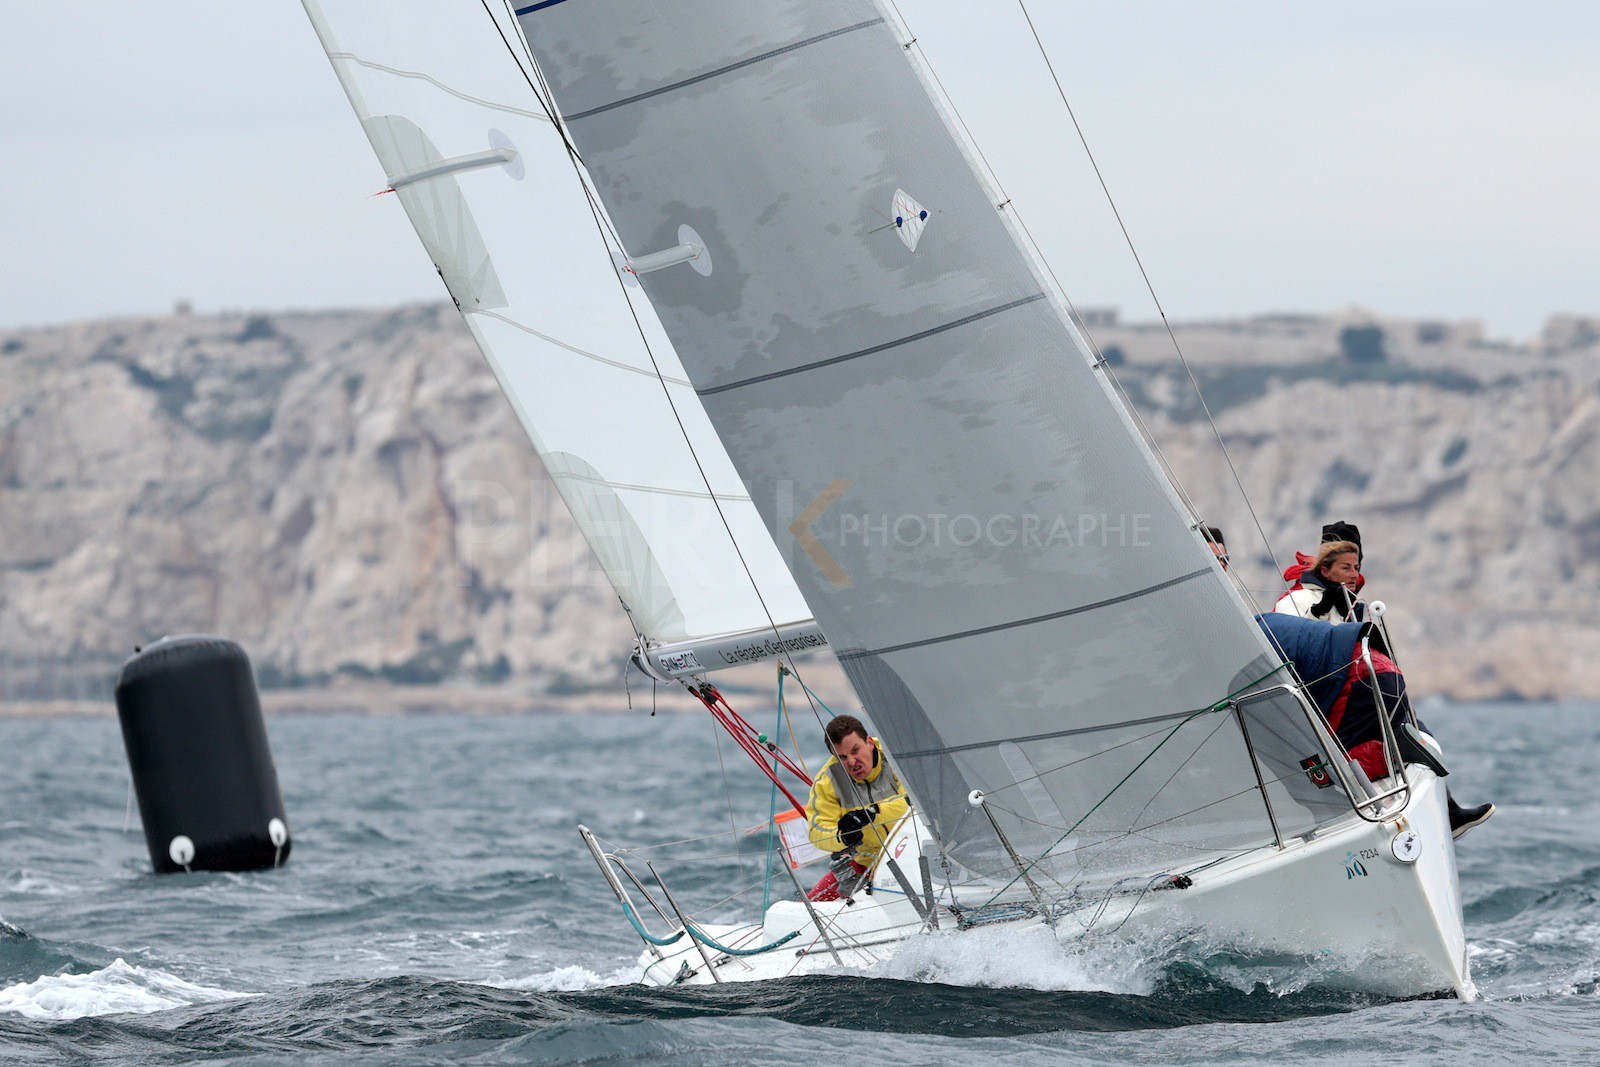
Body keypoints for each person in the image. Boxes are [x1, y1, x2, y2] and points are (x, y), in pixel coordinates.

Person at [1256, 612, 1494, 839]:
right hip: (1379, 666)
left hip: (1355, 678)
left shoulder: (1251, 644)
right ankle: (1450, 813)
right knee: (1410, 730)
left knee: (1337, 761)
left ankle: (1390, 765)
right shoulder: (1267, 622)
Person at [804, 714, 910, 902]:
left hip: (917, 857)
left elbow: (913, 801)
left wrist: (872, 813)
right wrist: (842, 836)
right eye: (842, 757)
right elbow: (817, 831)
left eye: (855, 750)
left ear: (869, 742)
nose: (852, 762)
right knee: (806, 913)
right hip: (866, 868)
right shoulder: (827, 781)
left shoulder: (896, 755)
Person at [1276, 539, 1363, 622]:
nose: (1354, 575)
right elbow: (1292, 635)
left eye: (1356, 568)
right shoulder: (1295, 600)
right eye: (1345, 568)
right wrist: (1317, 613)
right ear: (1325, 571)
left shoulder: (1352, 609)